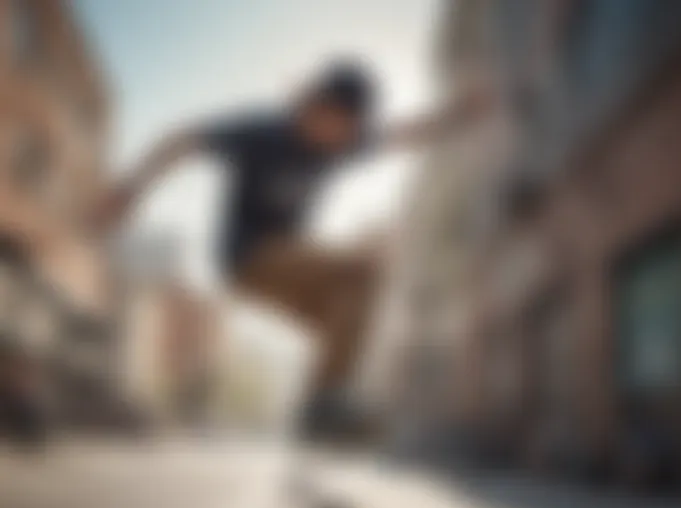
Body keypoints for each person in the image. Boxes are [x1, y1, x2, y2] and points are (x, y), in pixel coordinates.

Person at [99, 59, 494, 439]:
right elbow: (182, 140)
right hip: (250, 259)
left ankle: (320, 412)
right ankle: (325, 400)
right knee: (360, 266)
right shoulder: (263, 131)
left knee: (351, 300)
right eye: (324, 121)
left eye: (342, 131)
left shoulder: (346, 145)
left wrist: (457, 115)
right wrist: (131, 188)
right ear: (312, 104)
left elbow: (403, 135)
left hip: (289, 279)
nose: (329, 138)